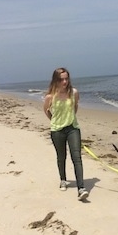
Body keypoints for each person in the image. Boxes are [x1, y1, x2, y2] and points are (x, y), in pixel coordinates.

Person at [43, 67, 89, 201]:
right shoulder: (50, 96)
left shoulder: (74, 92)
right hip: (57, 130)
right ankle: (63, 179)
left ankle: (81, 188)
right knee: (61, 156)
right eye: (61, 79)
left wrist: (70, 118)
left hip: (72, 128)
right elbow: (46, 110)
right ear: (55, 80)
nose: (64, 82)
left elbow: (75, 107)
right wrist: (54, 121)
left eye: (66, 78)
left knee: (77, 157)